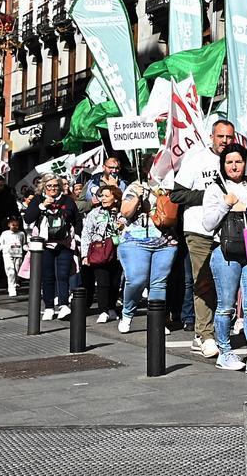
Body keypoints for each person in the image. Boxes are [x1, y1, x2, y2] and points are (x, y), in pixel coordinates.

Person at [202, 143, 247, 373]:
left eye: (239, 161)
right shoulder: (215, 188)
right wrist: (226, 204)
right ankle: (224, 350)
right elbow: (207, 224)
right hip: (225, 253)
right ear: (223, 165)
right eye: (229, 162)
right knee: (226, 305)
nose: (234, 166)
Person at [169, 120, 236, 358]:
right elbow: (176, 194)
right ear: (212, 137)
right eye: (221, 137)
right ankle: (204, 334)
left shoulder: (235, 160)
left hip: (228, 230)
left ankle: (218, 329)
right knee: (203, 280)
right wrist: (210, 195)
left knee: (226, 282)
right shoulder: (196, 159)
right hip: (199, 229)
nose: (225, 142)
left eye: (229, 137)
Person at [115, 170, 179, 334]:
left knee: (159, 283)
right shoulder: (135, 186)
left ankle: (156, 321)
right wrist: (137, 197)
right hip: (135, 241)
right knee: (137, 279)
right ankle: (127, 313)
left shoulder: (170, 187)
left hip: (165, 242)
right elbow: (125, 212)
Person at [23, 174, 81, 320]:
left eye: (56, 186)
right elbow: (28, 218)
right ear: (44, 187)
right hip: (44, 244)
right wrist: (42, 206)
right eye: (49, 186)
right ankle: (49, 307)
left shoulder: (68, 201)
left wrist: (78, 237)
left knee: (63, 274)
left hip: (64, 243)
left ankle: (63, 304)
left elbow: (77, 220)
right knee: (47, 277)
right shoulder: (37, 199)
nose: (53, 189)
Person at [79, 185, 123, 323]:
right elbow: (86, 233)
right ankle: (103, 310)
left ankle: (111, 307)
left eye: (106, 196)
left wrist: (122, 226)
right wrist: (85, 255)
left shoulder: (123, 213)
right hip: (100, 250)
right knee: (103, 281)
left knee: (115, 282)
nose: (103, 199)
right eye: (101, 196)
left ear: (115, 198)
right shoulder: (95, 213)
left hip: (118, 251)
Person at [0, 216, 25, 297]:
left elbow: (23, 244)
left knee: (17, 271)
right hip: (8, 254)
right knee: (10, 271)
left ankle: (15, 283)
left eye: (16, 225)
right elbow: (1, 244)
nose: (15, 227)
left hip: (18, 254)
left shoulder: (21, 234)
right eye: (13, 225)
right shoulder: (5, 233)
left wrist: (27, 248)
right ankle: (11, 287)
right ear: (9, 225)